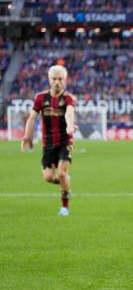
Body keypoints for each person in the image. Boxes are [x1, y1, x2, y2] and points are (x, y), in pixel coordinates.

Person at [21, 65, 76, 216]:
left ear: (65, 80)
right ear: (49, 80)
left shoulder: (68, 98)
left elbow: (69, 113)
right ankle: (66, 186)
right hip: (48, 143)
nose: (57, 82)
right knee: (48, 177)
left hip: (65, 142)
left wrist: (70, 126)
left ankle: (64, 207)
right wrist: (26, 136)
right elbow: (32, 118)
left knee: (62, 174)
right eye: (54, 79)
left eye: (60, 79)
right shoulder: (40, 98)